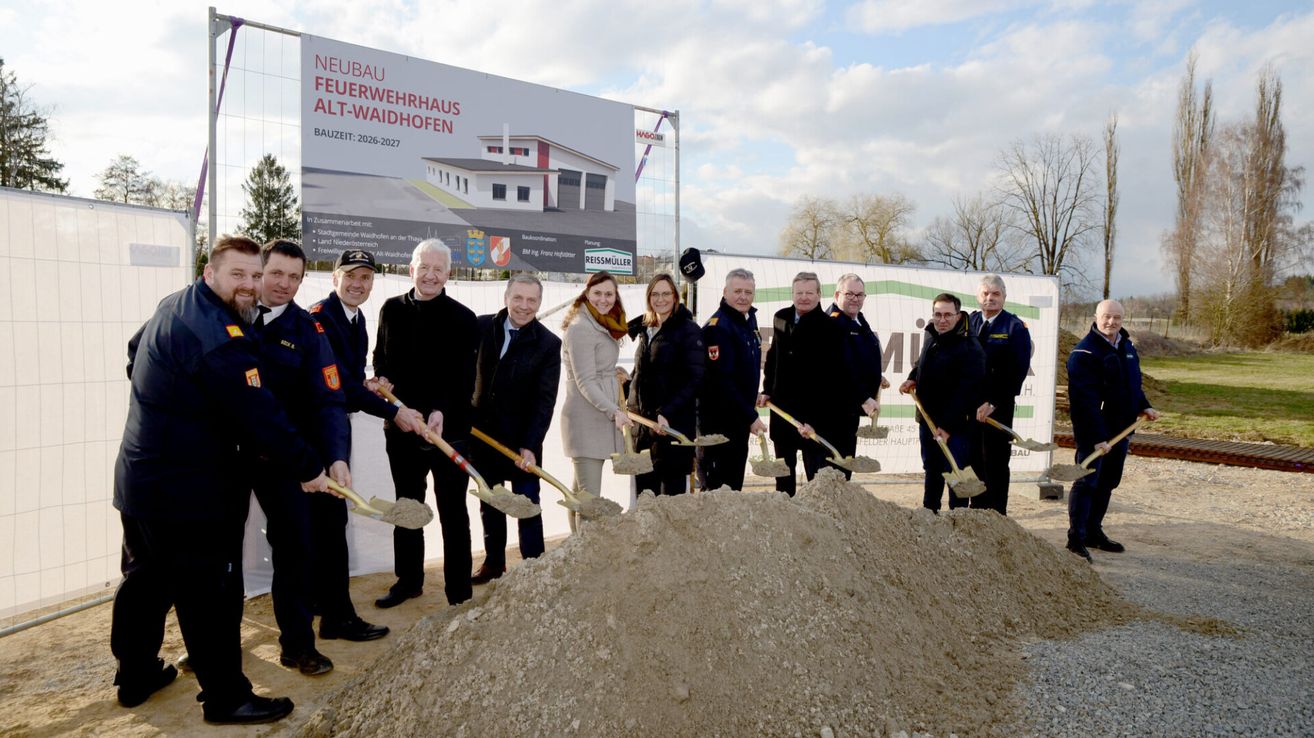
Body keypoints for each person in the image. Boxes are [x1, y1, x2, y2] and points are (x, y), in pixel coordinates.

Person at [110, 235, 329, 724]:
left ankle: (136, 673)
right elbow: (261, 417)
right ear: (211, 272)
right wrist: (310, 469)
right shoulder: (218, 337)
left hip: (141, 477)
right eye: (239, 275)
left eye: (255, 275)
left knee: (146, 580)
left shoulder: (176, 303)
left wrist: (172, 401)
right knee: (205, 593)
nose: (250, 285)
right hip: (185, 491)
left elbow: (134, 350)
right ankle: (227, 698)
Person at [250, 240, 386, 678]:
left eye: (293, 276)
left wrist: (334, 456)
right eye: (276, 274)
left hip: (293, 456)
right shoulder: (226, 312)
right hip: (228, 457)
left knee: (295, 547)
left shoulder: (307, 329)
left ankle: (299, 643)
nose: (284, 285)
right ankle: (208, 642)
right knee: (219, 554)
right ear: (258, 272)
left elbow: (330, 397)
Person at [308, 250, 427, 613]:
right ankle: (330, 609)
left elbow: (350, 378)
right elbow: (339, 384)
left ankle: (323, 601)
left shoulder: (356, 318)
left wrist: (371, 384)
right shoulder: (320, 319)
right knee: (326, 520)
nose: (358, 285)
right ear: (334, 278)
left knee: (329, 520)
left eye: (366, 278)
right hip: (316, 429)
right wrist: (397, 411)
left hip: (336, 424)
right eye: (351, 276)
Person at [372, 240, 480, 607]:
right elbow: (380, 360)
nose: (430, 275)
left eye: (438, 269)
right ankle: (409, 580)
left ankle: (459, 593)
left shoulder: (464, 319)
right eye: (424, 267)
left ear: (449, 274)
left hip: (448, 432)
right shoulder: (390, 310)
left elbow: (465, 380)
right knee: (408, 505)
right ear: (410, 269)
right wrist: (387, 391)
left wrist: (440, 412)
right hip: (402, 427)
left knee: (453, 512)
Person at [469, 274, 561, 584]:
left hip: (522, 443)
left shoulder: (549, 344)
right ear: (507, 297)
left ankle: (535, 569)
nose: (524, 306)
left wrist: (530, 446)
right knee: (491, 503)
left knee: (527, 505)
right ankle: (494, 564)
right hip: (483, 438)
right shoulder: (481, 327)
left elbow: (544, 401)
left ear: (539, 303)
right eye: (518, 298)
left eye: (531, 300)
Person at [1065, 299, 1160, 562]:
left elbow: (1132, 385)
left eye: (1117, 317)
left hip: (1122, 430)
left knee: (1108, 482)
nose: (1112, 322)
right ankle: (1076, 538)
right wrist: (1096, 439)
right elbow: (1084, 403)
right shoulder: (1084, 354)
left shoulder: (1126, 347)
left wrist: (1144, 406)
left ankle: (1094, 532)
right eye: (1107, 317)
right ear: (1096, 317)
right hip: (1095, 434)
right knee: (1087, 482)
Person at [759, 271, 846, 495]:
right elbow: (773, 357)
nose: (804, 297)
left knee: (815, 479)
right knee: (783, 480)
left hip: (814, 419)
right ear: (792, 293)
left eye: (809, 292)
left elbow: (833, 379)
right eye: (799, 293)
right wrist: (768, 390)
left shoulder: (831, 327)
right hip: (782, 412)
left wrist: (815, 421)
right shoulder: (781, 317)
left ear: (819, 294)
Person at [899, 293, 987, 512]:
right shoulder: (931, 335)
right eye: (938, 314)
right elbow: (922, 362)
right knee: (932, 468)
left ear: (958, 316)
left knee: (954, 470)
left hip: (956, 426)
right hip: (928, 419)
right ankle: (930, 513)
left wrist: (947, 427)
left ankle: (956, 519)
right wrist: (912, 377)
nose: (942, 319)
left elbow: (967, 392)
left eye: (948, 315)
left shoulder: (970, 347)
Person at [626, 273, 705, 495]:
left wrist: (667, 412)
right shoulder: (646, 329)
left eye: (666, 294)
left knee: (672, 500)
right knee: (646, 498)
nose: (660, 299)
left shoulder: (688, 330)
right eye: (655, 294)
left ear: (675, 296)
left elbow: (696, 379)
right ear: (649, 297)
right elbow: (644, 373)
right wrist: (628, 387)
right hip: (643, 428)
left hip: (672, 429)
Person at [561, 271, 631, 508]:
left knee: (580, 495)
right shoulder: (581, 327)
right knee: (589, 502)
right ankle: (584, 544)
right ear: (587, 293)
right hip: (586, 420)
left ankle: (577, 543)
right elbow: (585, 381)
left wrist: (615, 371)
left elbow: (598, 366)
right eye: (597, 293)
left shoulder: (601, 322)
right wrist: (614, 412)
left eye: (609, 294)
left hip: (598, 415)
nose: (604, 299)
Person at [968, 274, 1032, 515]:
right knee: (973, 458)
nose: (990, 298)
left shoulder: (1015, 327)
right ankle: (976, 512)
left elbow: (1017, 371)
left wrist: (993, 402)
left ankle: (996, 515)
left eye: (995, 294)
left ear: (1004, 297)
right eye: (985, 293)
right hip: (970, 407)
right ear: (978, 296)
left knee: (995, 461)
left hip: (998, 407)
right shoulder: (969, 322)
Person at [698, 268, 766, 491]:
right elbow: (721, 381)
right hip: (718, 426)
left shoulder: (747, 320)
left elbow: (741, 371)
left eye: (748, 291)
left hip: (737, 421)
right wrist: (750, 416)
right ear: (725, 292)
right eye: (737, 291)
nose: (743, 296)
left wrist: (750, 397)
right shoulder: (718, 328)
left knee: (733, 488)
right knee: (718, 492)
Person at [825, 273, 883, 480]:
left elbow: (860, 357)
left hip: (849, 409)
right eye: (849, 294)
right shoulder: (831, 324)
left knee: (845, 465)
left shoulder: (857, 319)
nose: (855, 299)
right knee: (833, 467)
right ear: (837, 294)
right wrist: (863, 397)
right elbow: (838, 370)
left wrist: (876, 377)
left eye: (859, 295)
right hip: (833, 410)